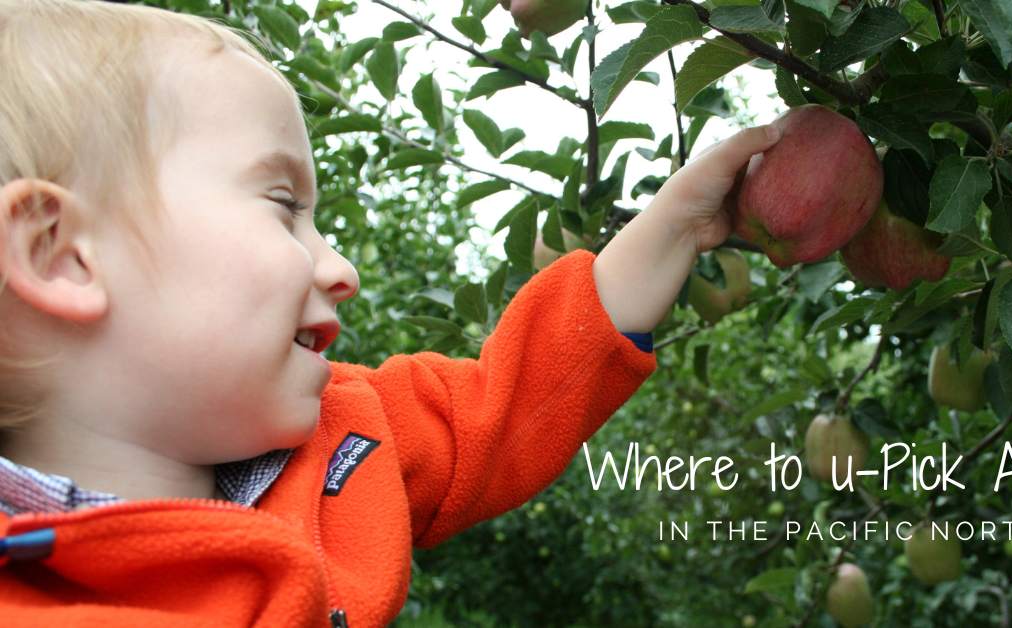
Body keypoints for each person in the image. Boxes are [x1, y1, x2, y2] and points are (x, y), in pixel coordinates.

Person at [0, 1, 782, 625]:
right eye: (283, 207)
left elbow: (511, 397)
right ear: (61, 254)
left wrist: (675, 221)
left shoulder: (349, 439)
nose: (342, 269)